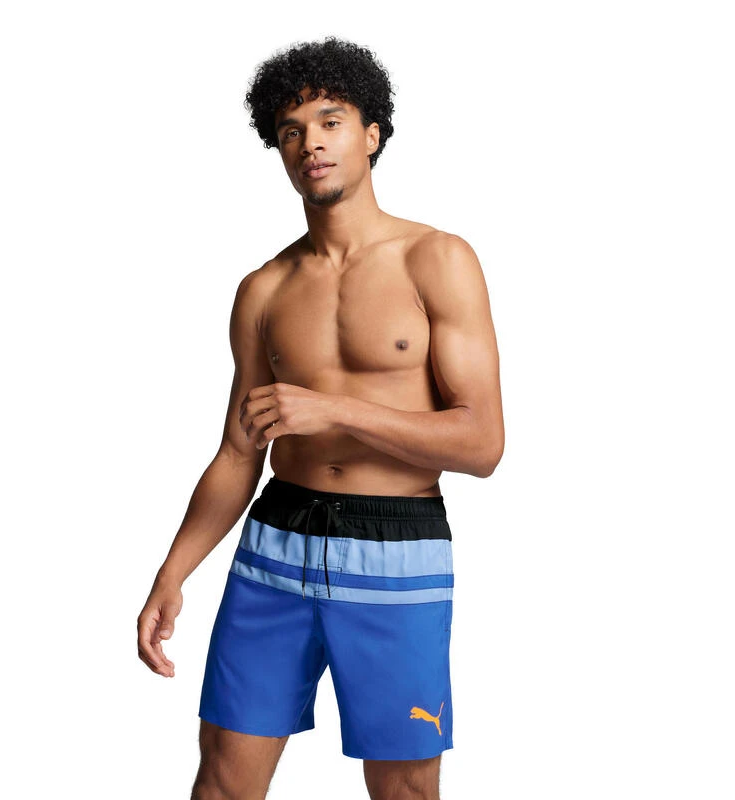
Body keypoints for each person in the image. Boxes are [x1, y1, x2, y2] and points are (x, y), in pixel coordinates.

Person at [137, 36, 504, 800]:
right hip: (275, 544)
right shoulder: (264, 288)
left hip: (395, 549)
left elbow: (482, 443)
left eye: (331, 122)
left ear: (372, 134)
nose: (311, 143)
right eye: (291, 131)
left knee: (404, 789)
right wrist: (173, 572)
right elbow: (237, 454)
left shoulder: (437, 259)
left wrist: (333, 407)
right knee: (223, 779)